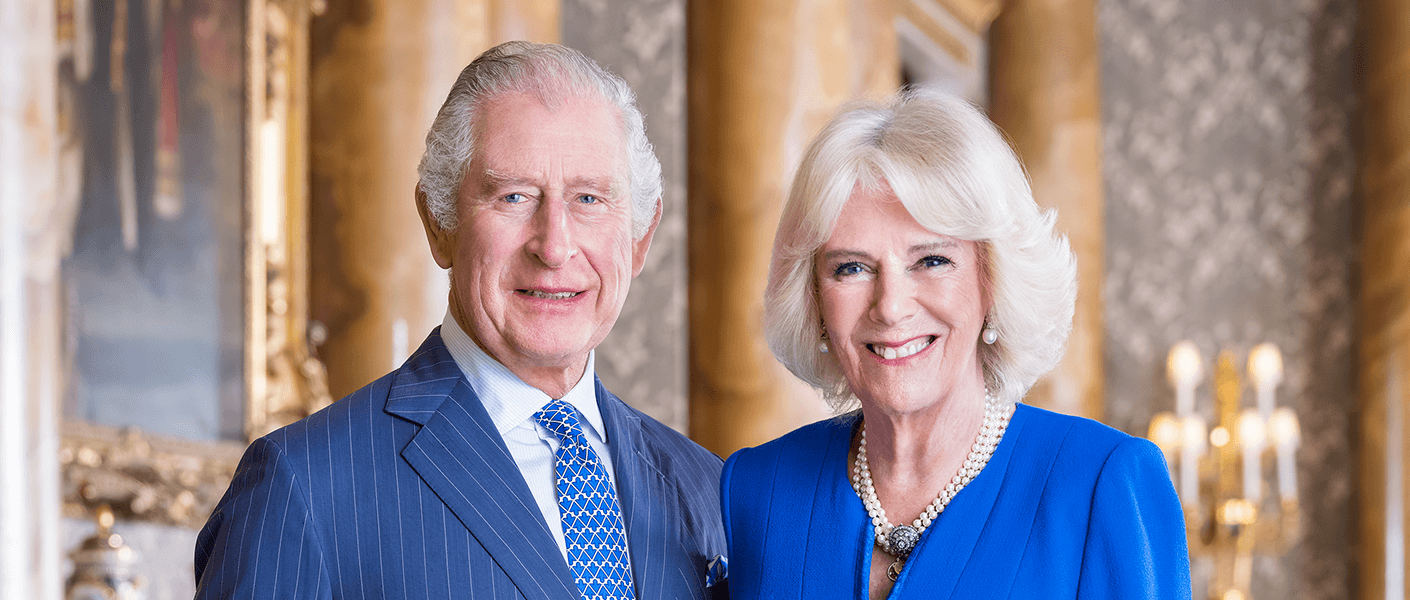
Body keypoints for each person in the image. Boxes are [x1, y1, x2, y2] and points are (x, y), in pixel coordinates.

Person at [194, 41, 726, 599]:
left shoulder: (708, 490)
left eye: (589, 199)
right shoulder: (302, 485)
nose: (554, 246)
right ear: (438, 224)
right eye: (514, 197)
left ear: (639, 239)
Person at [721, 89, 1191, 599]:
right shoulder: (755, 491)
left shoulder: (1101, 485)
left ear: (993, 279)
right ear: (813, 297)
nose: (891, 306)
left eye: (931, 261)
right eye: (851, 268)